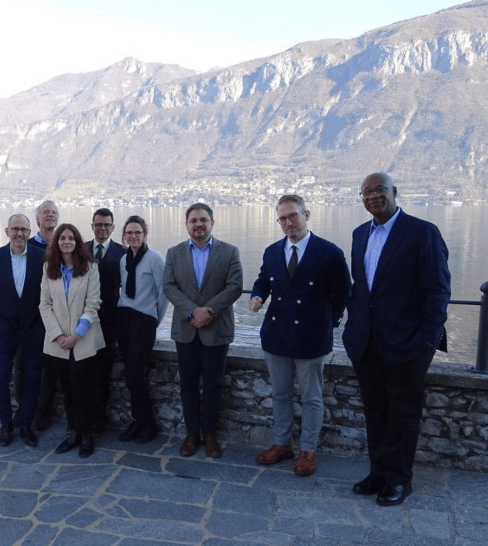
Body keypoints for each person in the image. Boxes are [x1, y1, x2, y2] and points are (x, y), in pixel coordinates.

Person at [343, 173, 450, 506]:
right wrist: (352, 326)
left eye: (380, 190)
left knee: (403, 415)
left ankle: (400, 480)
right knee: (375, 410)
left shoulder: (422, 232)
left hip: (408, 344)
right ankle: (378, 473)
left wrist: (427, 341)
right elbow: (360, 288)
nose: (373, 196)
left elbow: (438, 291)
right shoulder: (359, 234)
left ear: (394, 192)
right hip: (366, 342)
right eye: (366, 192)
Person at [249, 195, 350, 475]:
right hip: (276, 335)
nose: (288, 222)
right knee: (280, 395)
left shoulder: (329, 252)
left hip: (311, 336)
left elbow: (343, 293)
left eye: (293, 215)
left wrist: (328, 322)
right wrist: (257, 296)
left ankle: (308, 450)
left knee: (311, 398)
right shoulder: (272, 251)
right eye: (282, 218)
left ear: (306, 215)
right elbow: (263, 280)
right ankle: (282, 444)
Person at [163, 204, 243, 458]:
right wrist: (192, 311)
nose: (199, 224)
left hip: (216, 329)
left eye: (203, 220)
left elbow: (235, 286)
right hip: (186, 329)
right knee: (187, 385)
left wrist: (208, 311)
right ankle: (191, 434)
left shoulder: (229, 251)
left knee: (213, 385)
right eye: (193, 220)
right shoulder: (174, 253)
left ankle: (210, 435)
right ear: (187, 224)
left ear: (212, 223)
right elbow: (169, 286)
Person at [0, 214, 46, 447]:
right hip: (3, 329)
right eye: (15, 229)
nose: (19, 233)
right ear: (7, 231)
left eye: (23, 229)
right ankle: (6, 425)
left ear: (29, 232)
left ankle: (26, 425)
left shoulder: (41, 256)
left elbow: (49, 293)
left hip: (33, 329)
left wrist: (42, 325)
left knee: (33, 379)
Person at [40, 224, 104, 458]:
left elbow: (93, 304)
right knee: (67, 391)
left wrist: (76, 335)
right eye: (62, 238)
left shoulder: (90, 268)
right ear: (56, 242)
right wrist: (58, 335)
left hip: (83, 340)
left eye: (71, 238)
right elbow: (44, 305)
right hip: (58, 343)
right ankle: (73, 433)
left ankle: (86, 436)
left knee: (83, 390)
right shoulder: (48, 268)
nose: (66, 241)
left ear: (77, 242)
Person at [116, 215, 169, 444]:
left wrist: (153, 320)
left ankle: (148, 424)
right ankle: (138, 421)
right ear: (124, 235)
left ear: (145, 234)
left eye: (138, 232)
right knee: (131, 376)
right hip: (124, 319)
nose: (133, 236)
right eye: (129, 233)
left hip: (144, 320)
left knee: (134, 374)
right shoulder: (123, 260)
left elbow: (163, 294)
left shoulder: (155, 259)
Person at [20, 199, 60, 431]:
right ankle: (24, 409)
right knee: (25, 366)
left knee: (50, 368)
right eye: (45, 212)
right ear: (37, 219)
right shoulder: (27, 245)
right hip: (31, 316)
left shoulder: (65, 242)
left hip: (57, 315)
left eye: (53, 212)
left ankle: (43, 412)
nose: (50, 215)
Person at [85, 208, 125, 436]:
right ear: (92, 226)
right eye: (98, 224)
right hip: (82, 322)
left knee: (103, 373)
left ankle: (98, 419)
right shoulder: (80, 250)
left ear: (112, 227)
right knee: (82, 372)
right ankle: (81, 417)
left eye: (106, 225)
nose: (102, 228)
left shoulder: (123, 253)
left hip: (109, 323)